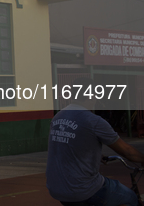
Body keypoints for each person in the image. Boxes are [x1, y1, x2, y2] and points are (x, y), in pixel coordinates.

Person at [46, 78, 144, 206]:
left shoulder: (59, 116)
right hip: (83, 190)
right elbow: (128, 152)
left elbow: (66, 144)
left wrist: (97, 156)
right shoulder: (93, 121)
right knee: (130, 197)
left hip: (56, 188)